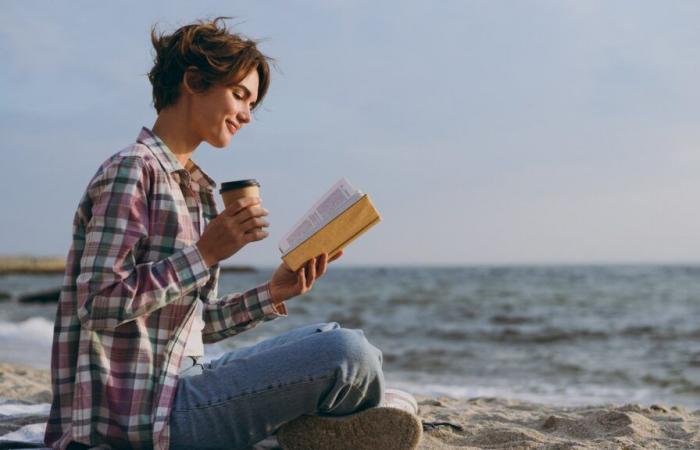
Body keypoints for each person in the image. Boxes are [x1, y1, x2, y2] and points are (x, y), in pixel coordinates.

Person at [43, 17, 421, 450]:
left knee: (337, 338)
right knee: (345, 355)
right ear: (194, 81)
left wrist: (274, 292)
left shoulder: (198, 191)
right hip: (145, 418)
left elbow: (196, 326)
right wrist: (204, 255)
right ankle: (330, 424)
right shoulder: (132, 171)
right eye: (240, 95)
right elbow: (98, 304)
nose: (245, 115)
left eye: (251, 104)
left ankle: (323, 426)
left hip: (181, 381)